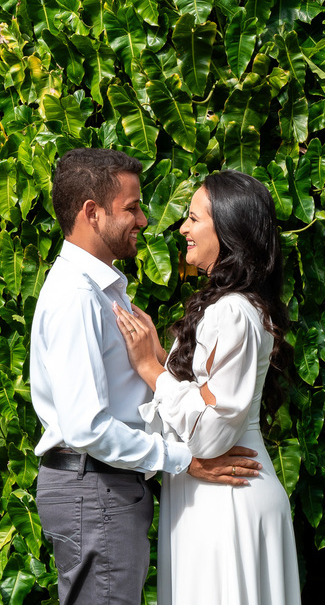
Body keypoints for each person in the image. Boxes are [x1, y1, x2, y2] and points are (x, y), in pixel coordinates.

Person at [30, 148, 264, 605]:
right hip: (93, 488)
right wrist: (183, 460)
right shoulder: (78, 297)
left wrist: (156, 362)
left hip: (103, 488)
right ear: (92, 213)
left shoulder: (103, 289)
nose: (144, 219)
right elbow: (86, 426)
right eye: (132, 207)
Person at [112, 170, 301, 605]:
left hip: (227, 500)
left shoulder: (232, 312)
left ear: (228, 229)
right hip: (216, 496)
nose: (182, 228)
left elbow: (211, 434)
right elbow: (204, 398)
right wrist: (163, 359)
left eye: (193, 218)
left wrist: (149, 369)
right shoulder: (231, 306)